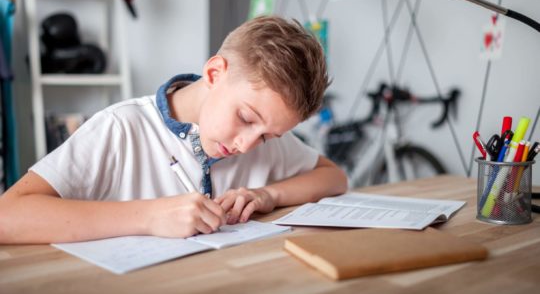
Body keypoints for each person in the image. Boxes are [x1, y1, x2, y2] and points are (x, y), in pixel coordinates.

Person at [0, 16, 347, 243]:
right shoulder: (121, 128)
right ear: (214, 74)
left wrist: (268, 195)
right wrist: (149, 216)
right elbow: (7, 215)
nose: (247, 145)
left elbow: (333, 177)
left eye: (270, 136)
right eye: (245, 117)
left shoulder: (262, 138)